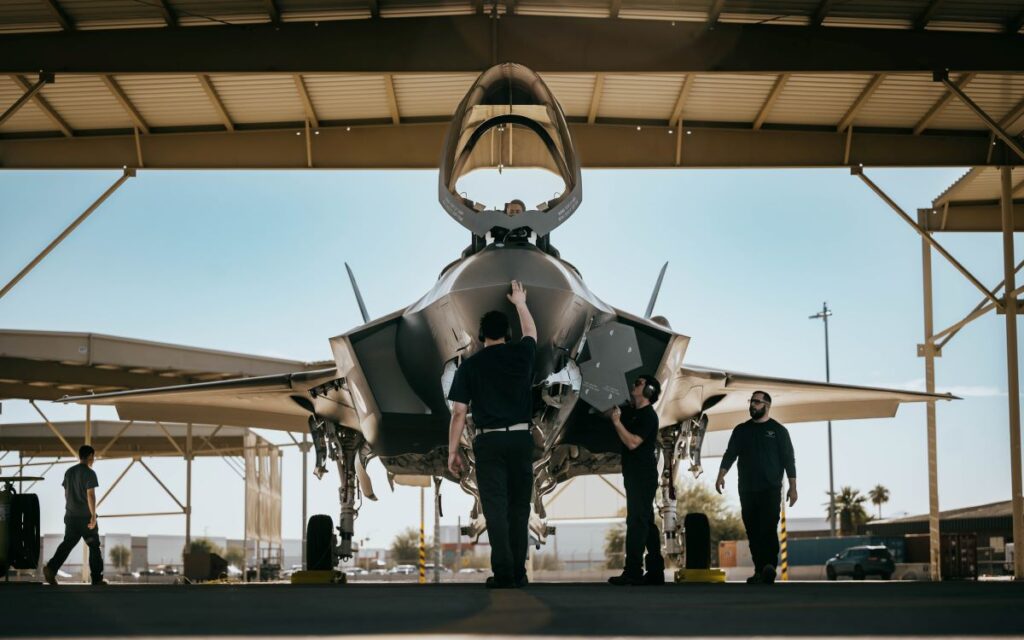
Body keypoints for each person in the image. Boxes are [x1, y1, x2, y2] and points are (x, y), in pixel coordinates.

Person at [447, 280, 538, 588]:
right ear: (507, 334)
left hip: (489, 442)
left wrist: (452, 451)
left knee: (495, 509)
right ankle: (520, 573)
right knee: (519, 508)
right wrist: (520, 302)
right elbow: (531, 334)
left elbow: (459, 412)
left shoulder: (469, 367)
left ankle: (504, 573)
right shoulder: (521, 355)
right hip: (521, 440)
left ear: (481, 335)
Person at [715, 390, 797, 584]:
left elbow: (789, 460)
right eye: (751, 401)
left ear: (767, 405)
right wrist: (720, 475)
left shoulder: (778, 431)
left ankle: (768, 565)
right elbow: (730, 454)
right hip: (747, 489)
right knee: (752, 530)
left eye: (757, 402)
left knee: (768, 527)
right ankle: (760, 570)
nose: (752, 405)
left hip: (770, 489)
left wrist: (793, 487)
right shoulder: (741, 430)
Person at [607, 375, 665, 586]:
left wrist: (616, 422)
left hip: (643, 475)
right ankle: (656, 572)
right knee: (646, 521)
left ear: (649, 391)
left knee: (636, 521)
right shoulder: (633, 413)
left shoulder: (649, 416)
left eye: (639, 383)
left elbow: (632, 443)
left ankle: (632, 571)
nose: (634, 385)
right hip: (633, 474)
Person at [43, 445, 104, 586]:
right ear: (89, 456)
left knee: (67, 544)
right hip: (85, 518)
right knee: (94, 546)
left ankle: (51, 569)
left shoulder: (69, 472)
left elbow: (66, 493)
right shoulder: (89, 473)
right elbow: (91, 495)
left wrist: (71, 509)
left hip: (70, 516)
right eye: (93, 457)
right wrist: (93, 516)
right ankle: (97, 579)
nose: (93, 459)